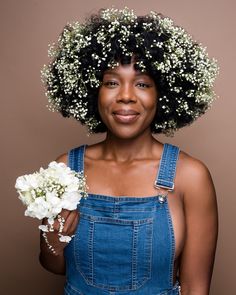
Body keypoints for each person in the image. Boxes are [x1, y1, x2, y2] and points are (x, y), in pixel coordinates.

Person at [39, 8, 219, 295]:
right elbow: (55, 265)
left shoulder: (190, 177)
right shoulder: (65, 169)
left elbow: (196, 288)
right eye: (111, 82)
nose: (125, 95)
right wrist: (52, 241)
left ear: (163, 94)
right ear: (91, 91)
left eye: (143, 84)